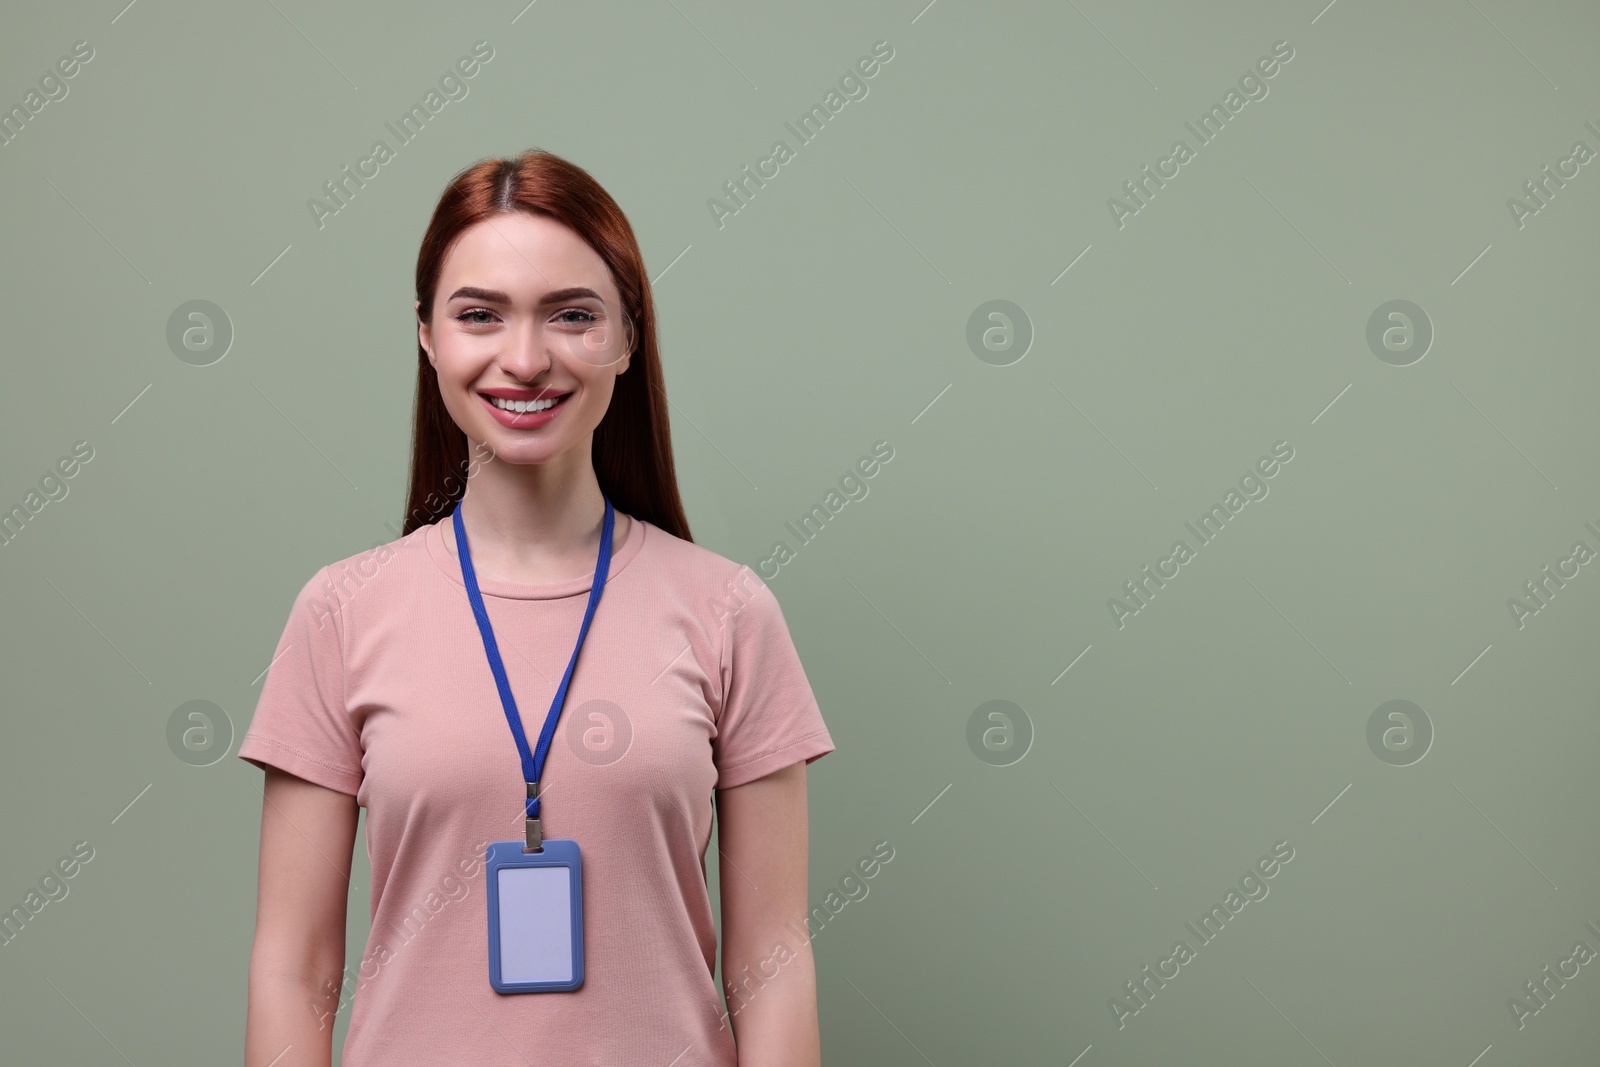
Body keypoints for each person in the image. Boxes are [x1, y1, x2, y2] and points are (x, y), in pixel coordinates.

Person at [240, 148, 835, 1066]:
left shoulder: (728, 611)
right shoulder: (340, 612)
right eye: (480, 314)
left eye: (572, 316)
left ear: (629, 337)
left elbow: (774, 958)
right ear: (428, 334)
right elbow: (294, 966)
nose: (525, 358)